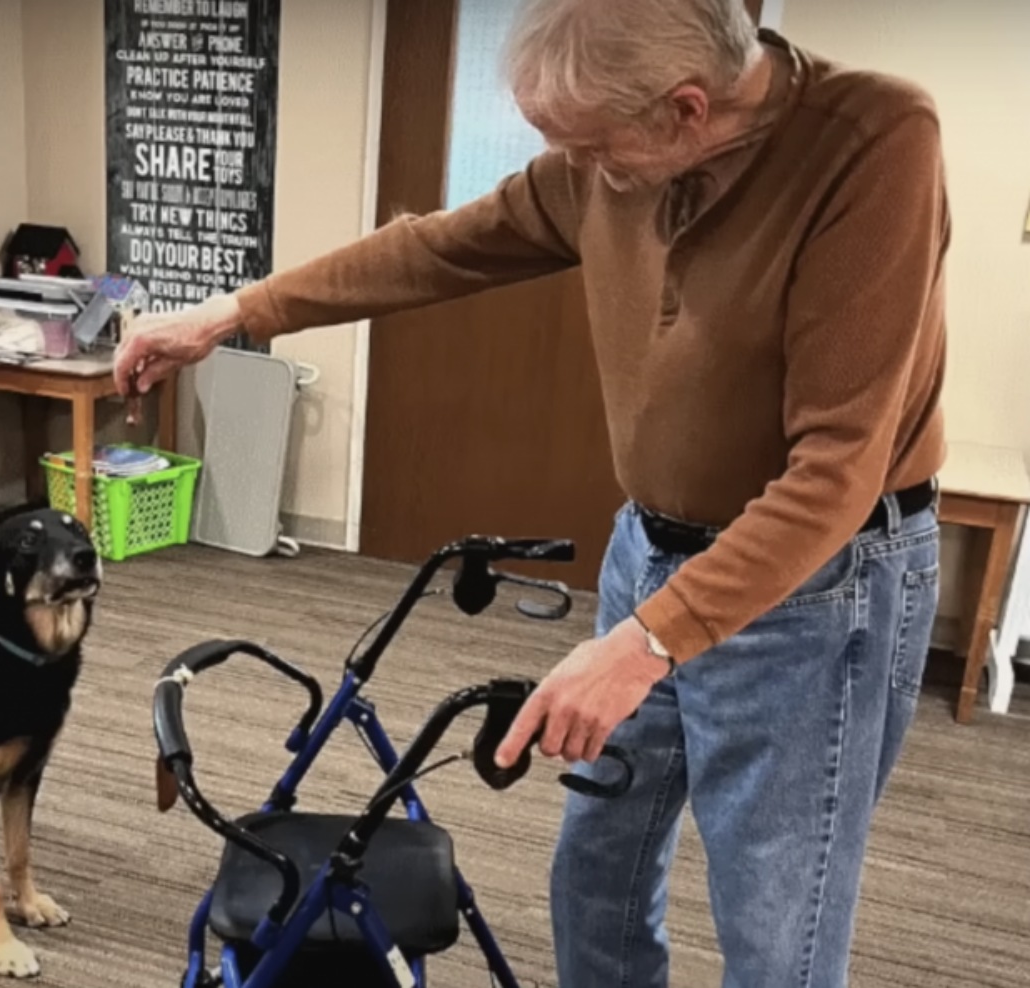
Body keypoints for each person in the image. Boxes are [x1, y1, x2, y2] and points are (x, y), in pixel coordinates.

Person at [114, 1, 949, 984]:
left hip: (817, 588)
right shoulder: (606, 161)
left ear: (685, 110)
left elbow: (835, 470)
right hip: (648, 548)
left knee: (776, 919)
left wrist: (642, 645)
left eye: (589, 148)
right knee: (595, 869)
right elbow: (435, 247)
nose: (576, 173)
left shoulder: (872, 144)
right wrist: (236, 311)